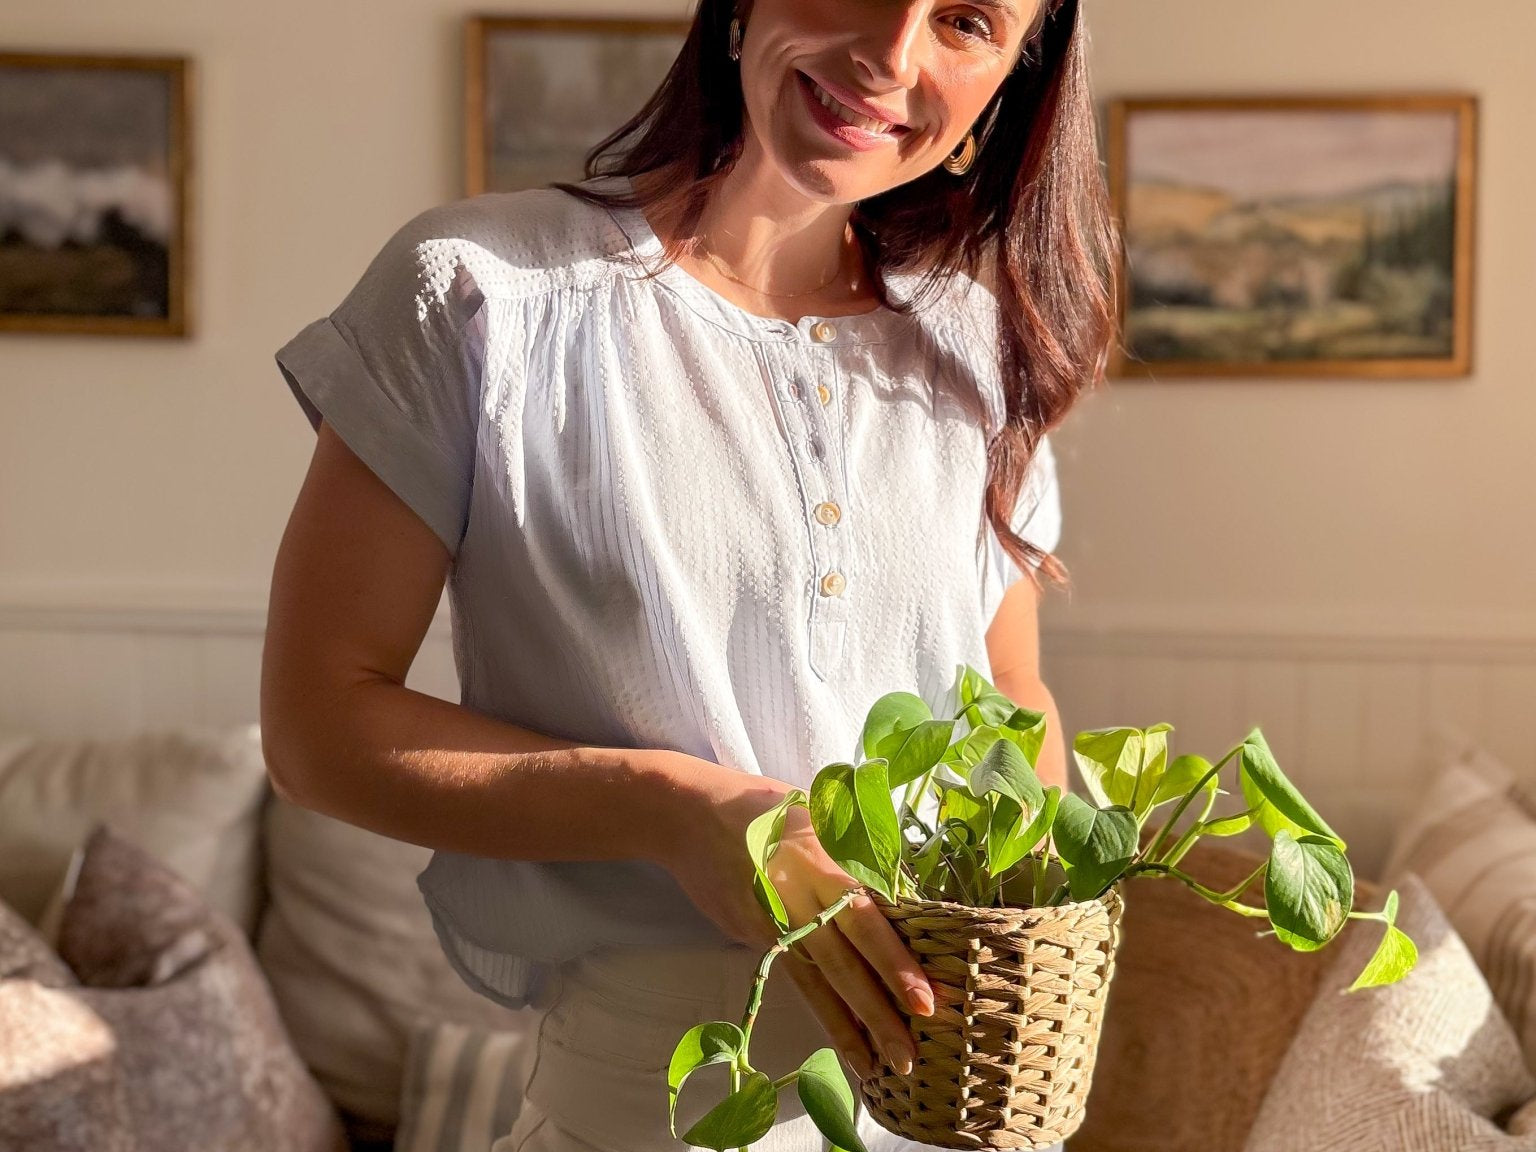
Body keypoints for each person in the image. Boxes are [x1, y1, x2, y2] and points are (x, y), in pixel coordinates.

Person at [261, 0, 1119, 1149]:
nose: (892, 52)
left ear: (1013, 78)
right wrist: (675, 811)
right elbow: (318, 726)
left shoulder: (978, 348)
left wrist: (1045, 953)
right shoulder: (479, 294)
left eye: (967, 19)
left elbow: (1014, 696)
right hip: (642, 1106)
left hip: (953, 1098)